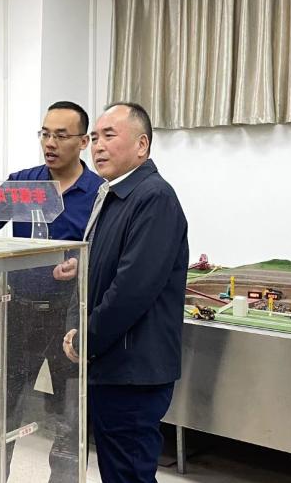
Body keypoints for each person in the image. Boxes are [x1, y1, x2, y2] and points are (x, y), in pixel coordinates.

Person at [0, 100, 102, 482]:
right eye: (45, 134)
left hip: (69, 319)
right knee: (1, 411)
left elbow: (108, 252)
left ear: (83, 142)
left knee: (69, 419)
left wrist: (82, 266)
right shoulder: (24, 184)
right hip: (18, 312)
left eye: (61, 135)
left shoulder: (98, 193)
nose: (50, 143)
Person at [58, 103, 189, 483]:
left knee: (128, 472)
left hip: (133, 371)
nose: (98, 146)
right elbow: (108, 266)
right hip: (112, 364)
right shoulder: (115, 194)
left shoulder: (154, 197)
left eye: (109, 136)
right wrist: (82, 271)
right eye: (95, 137)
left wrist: (86, 339)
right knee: (118, 469)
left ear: (141, 144)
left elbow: (132, 289)